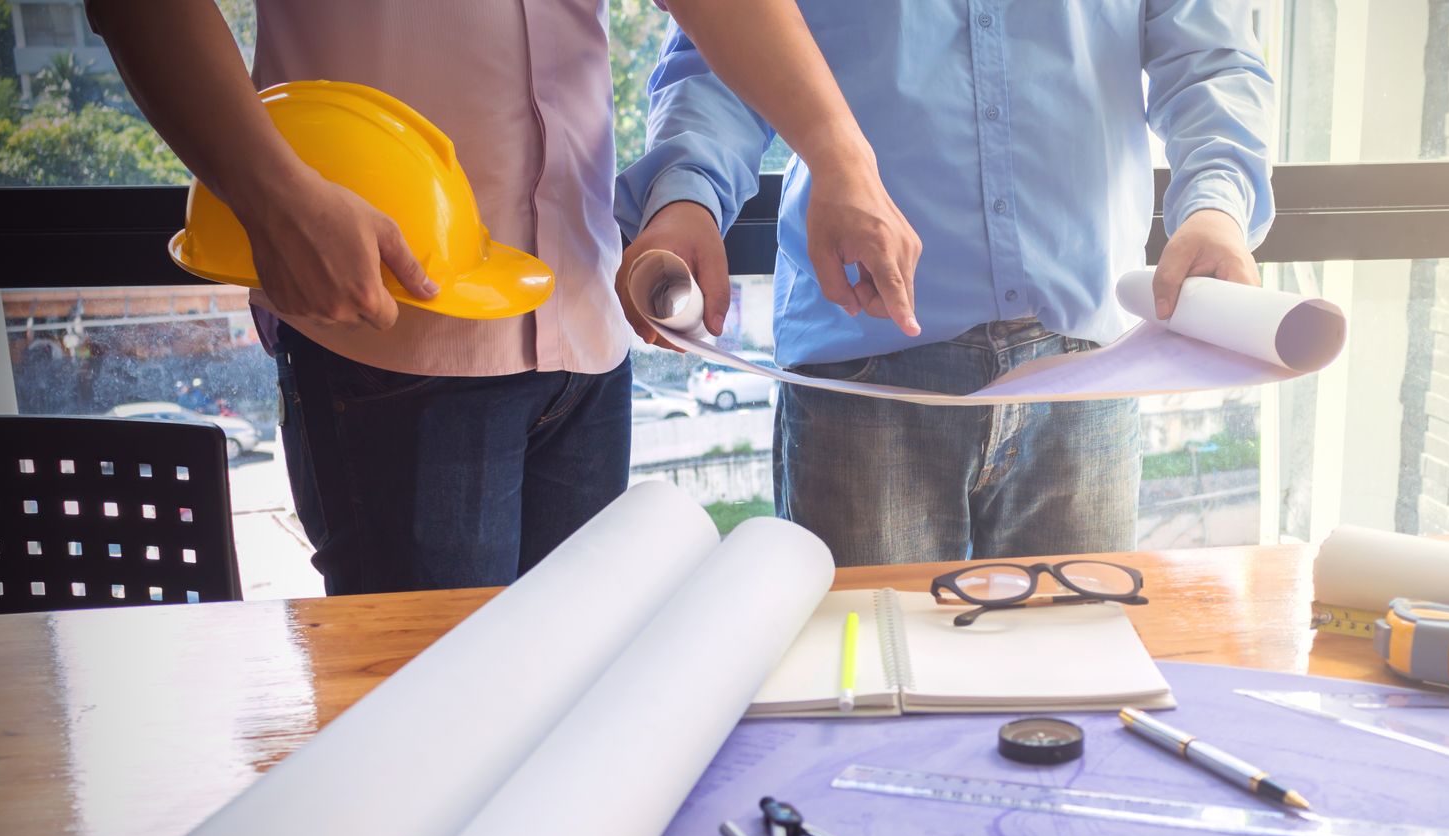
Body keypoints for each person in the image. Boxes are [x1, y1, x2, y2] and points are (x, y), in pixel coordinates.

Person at [88, 0, 918, 594]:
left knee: (568, 695)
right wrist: (271, 194)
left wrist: (842, 158)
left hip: (583, 326)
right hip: (394, 331)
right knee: (424, 726)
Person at [617, 1, 1274, 568]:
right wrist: (686, 199)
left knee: (1074, 685)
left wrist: (1217, 207)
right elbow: (723, 45)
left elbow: (1210, 54)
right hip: (864, 374)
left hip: (1088, 371)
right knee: (867, 683)